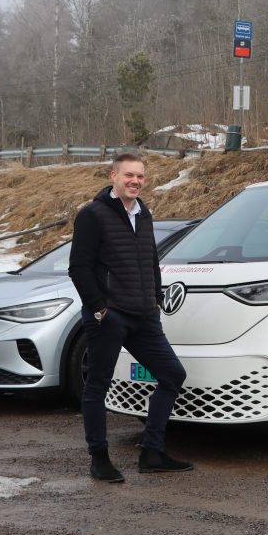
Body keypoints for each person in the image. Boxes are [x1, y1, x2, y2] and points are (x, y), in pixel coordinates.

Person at [69, 153, 193, 483]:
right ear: (114, 176)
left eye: (140, 176)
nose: (135, 181)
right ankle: (99, 458)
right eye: (129, 175)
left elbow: (150, 260)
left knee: (172, 375)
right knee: (98, 384)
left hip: (143, 316)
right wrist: (99, 309)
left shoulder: (144, 213)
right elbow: (78, 268)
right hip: (109, 316)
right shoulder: (92, 215)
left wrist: (156, 298)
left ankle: (153, 452)